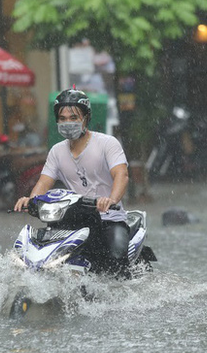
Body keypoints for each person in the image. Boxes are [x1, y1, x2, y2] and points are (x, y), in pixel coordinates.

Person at [13, 88, 130, 277]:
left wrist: (111, 201)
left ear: (86, 118)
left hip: (109, 219)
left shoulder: (108, 143)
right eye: (63, 118)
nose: (68, 123)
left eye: (74, 117)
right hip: (72, 218)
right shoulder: (56, 151)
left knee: (116, 264)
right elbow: (43, 183)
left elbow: (121, 175)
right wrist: (31, 200)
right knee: (43, 259)